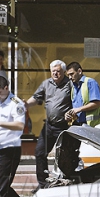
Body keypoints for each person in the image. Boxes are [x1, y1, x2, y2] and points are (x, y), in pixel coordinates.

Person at [24, 60, 72, 189]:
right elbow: (36, 97)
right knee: (40, 152)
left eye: (58, 71)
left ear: (63, 72)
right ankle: (43, 183)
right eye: (53, 71)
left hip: (65, 127)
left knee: (65, 156)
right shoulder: (46, 84)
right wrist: (26, 105)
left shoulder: (70, 84)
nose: (55, 73)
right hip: (49, 126)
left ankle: (67, 182)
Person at [64, 61, 100, 126]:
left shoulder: (90, 82)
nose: (70, 77)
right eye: (68, 75)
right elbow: (75, 108)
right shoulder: (74, 87)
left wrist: (79, 109)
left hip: (92, 126)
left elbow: (97, 103)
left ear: (79, 71)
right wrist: (69, 114)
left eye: (72, 74)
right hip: (79, 125)